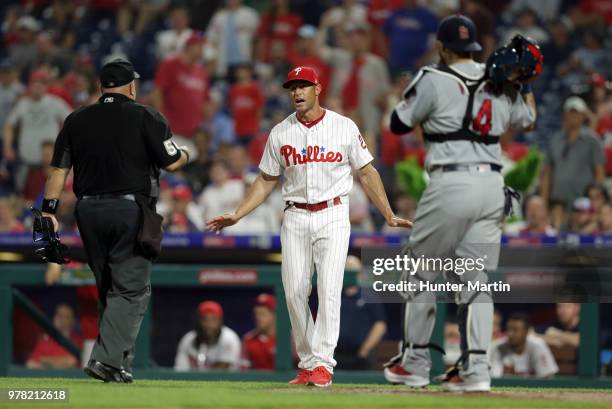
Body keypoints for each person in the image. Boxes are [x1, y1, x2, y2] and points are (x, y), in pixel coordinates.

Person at [207, 66, 412, 387]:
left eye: (303, 86)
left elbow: (367, 172)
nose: (297, 92)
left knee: (329, 289)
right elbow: (265, 181)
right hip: (295, 216)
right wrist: (238, 214)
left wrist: (386, 212)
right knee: (293, 293)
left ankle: (323, 365)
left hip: (333, 214)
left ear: (317, 88)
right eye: (293, 87)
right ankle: (307, 364)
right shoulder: (280, 132)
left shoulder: (343, 126)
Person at [383, 16, 538, 392]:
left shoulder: (433, 77)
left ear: (441, 47)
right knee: (475, 280)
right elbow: (529, 120)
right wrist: (526, 83)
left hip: (451, 180)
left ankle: (415, 363)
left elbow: (398, 124)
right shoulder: (499, 78)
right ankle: (477, 371)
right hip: (492, 186)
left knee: (419, 271)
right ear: (474, 48)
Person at [41, 58, 190, 383]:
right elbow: (172, 162)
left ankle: (120, 365)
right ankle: (106, 361)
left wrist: (48, 211)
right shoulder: (146, 115)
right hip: (128, 210)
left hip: (88, 212)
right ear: (132, 86)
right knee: (132, 289)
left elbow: (58, 171)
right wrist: (188, 154)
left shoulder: (76, 119)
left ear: (102, 86)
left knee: (110, 288)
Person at [540, 96, 605, 230]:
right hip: (558, 205)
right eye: (570, 112)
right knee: (556, 244)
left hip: (583, 205)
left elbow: (599, 173)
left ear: (583, 115)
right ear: (564, 115)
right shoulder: (555, 140)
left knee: (584, 244)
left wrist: (595, 205)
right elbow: (547, 174)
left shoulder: (593, 141)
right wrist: (544, 204)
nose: (573, 116)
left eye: (577, 112)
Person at [174, 301, 241, 371]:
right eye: (205, 320)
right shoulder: (188, 339)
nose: (209, 325)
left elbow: (220, 371)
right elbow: (180, 369)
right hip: (194, 380)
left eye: (214, 320)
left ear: (220, 321)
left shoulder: (229, 338)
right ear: (199, 321)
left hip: (225, 381)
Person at [490, 313, 559, 378]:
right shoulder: (498, 347)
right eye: (508, 329)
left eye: (515, 330)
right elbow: (495, 379)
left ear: (526, 332)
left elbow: (548, 378)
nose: (510, 334)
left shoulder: (537, 346)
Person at [26, 304, 83, 369]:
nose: (61, 319)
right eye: (59, 315)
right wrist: (61, 362)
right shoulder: (46, 341)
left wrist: (45, 361)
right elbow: (30, 364)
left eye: (66, 316)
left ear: (72, 321)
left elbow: (71, 362)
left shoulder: (78, 340)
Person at [242, 293, 277, 370]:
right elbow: (244, 370)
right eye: (256, 314)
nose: (258, 318)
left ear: (274, 315)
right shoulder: (248, 339)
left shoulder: (288, 339)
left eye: (262, 314)